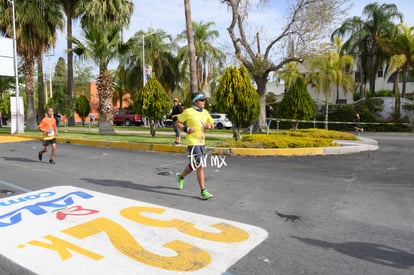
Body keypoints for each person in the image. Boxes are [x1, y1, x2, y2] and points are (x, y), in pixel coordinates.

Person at [175, 92, 214, 200]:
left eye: (204, 99)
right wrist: (186, 129)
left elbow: (212, 124)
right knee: (200, 165)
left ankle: (181, 176)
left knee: (195, 164)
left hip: (202, 142)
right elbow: (177, 123)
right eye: (201, 100)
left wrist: (209, 126)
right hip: (192, 142)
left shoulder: (206, 112)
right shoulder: (188, 111)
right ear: (195, 101)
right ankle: (203, 191)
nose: (204, 101)